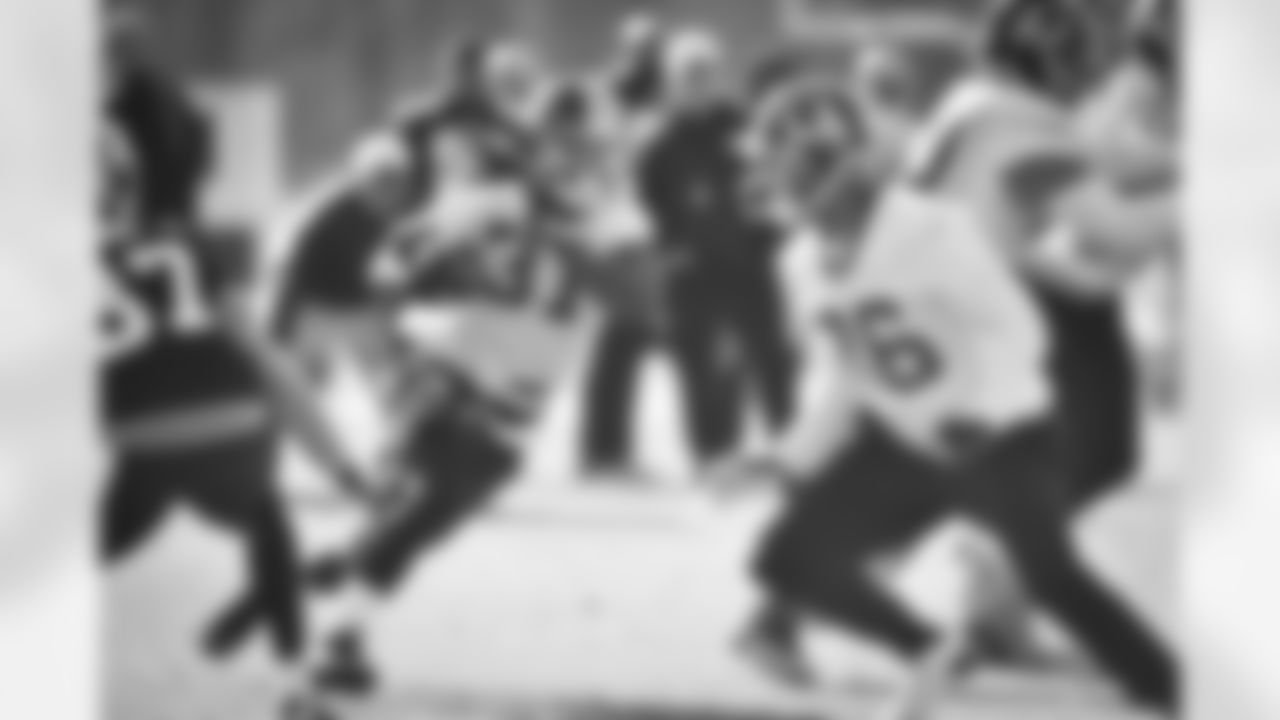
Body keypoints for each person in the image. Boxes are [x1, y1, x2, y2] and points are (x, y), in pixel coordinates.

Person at [99, 119, 377, 708]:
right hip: (233, 425)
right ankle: (297, 681)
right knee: (268, 523)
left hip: (138, 437)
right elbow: (267, 360)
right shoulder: (183, 242)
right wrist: (340, 465)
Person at [639, 29, 795, 471]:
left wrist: (771, 235)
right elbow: (649, 200)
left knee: (772, 356)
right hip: (693, 265)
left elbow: (774, 181)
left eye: (706, 73)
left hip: (750, 258)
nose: (698, 83)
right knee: (698, 362)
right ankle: (710, 453)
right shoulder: (660, 141)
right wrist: (671, 245)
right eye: (689, 75)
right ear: (672, 81)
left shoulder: (742, 126)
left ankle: (789, 448)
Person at [104, 4, 213, 234]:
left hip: (155, 213)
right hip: (171, 211)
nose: (113, 62)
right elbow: (200, 138)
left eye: (116, 52)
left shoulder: (139, 95)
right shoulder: (167, 94)